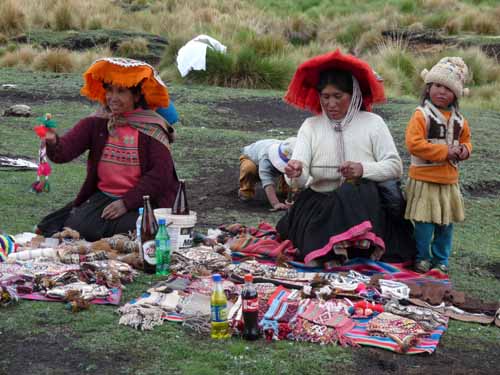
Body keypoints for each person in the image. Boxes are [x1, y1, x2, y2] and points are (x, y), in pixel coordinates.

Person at [276, 49, 415, 267]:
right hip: (321, 202)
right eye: (325, 97)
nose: (331, 103)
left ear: (354, 95)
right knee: (323, 209)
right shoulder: (310, 127)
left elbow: (395, 167)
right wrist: (295, 172)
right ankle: (333, 248)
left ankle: (337, 249)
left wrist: (362, 169)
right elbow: (300, 177)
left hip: (364, 205)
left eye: (338, 96)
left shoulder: (373, 123)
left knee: (353, 190)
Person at [36, 57, 179, 241]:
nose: (112, 97)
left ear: (136, 96)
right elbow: (63, 153)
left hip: (143, 201)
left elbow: (161, 174)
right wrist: (53, 140)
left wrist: (126, 203)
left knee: (143, 228)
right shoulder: (97, 124)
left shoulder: (152, 129)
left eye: (121, 91)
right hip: (104, 198)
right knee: (78, 228)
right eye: (109, 90)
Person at [405, 57, 472, 274]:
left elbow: (466, 140)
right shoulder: (421, 115)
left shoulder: (460, 119)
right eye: (437, 86)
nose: (441, 92)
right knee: (424, 223)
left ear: (456, 94)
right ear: (429, 87)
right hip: (425, 179)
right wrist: (445, 151)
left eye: (448, 88)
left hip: (448, 180)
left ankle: (441, 260)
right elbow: (414, 144)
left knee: (445, 224)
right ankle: (422, 257)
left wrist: (464, 150)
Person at [239, 137, 296, 210]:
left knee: (289, 170)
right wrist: (275, 203)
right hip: (250, 157)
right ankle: (245, 191)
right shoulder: (266, 158)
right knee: (249, 168)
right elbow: (267, 181)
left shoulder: (290, 148)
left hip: (268, 148)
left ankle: (284, 189)